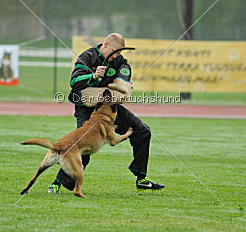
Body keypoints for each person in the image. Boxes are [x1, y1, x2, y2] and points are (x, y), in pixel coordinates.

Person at [49, 33, 165, 194]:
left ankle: (141, 179)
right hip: (86, 109)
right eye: (115, 52)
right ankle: (57, 184)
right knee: (83, 147)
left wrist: (122, 85)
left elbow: (123, 81)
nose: (116, 56)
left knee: (142, 132)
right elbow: (74, 82)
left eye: (119, 54)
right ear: (105, 45)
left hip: (110, 109)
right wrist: (93, 75)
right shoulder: (87, 57)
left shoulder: (119, 62)